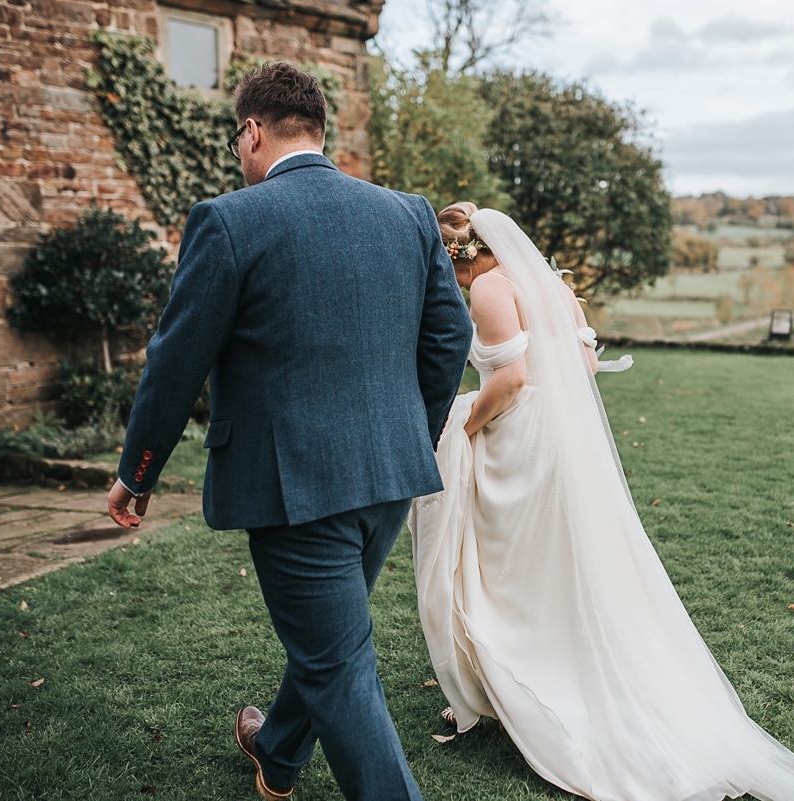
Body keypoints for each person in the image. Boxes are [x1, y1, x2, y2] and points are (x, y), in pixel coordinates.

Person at [408, 203, 794, 801]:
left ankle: (543, 684)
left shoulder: (492, 290)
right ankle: (548, 673)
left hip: (522, 442)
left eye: (450, 269)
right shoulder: (548, 285)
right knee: (567, 564)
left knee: (523, 570)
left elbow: (509, 380)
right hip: (563, 441)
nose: (452, 282)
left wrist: (459, 427)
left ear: (463, 256)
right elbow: (583, 364)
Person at [107, 64, 472, 801]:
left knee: (339, 666)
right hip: (389, 480)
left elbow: (177, 363)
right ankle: (275, 753)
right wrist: (408, 433)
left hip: (294, 490)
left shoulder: (230, 219)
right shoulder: (407, 212)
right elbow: (450, 337)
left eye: (237, 137)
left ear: (251, 130)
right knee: (329, 641)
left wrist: (137, 470)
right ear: (318, 129)